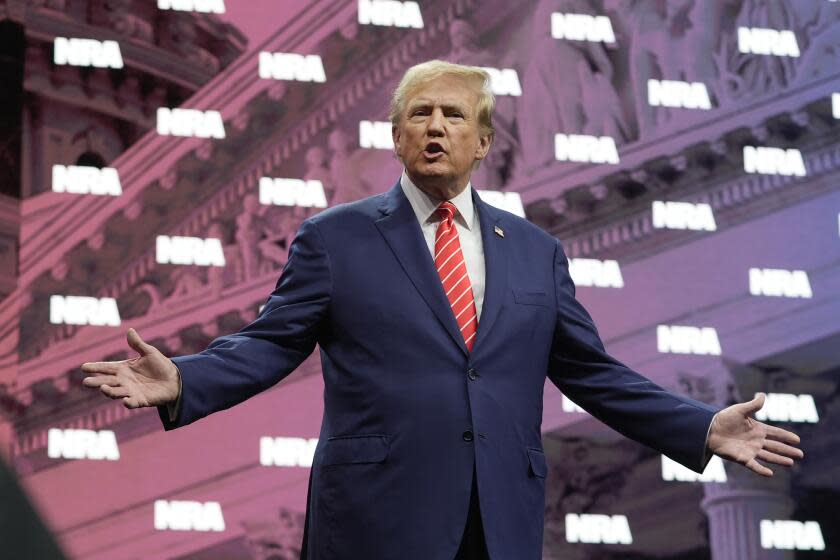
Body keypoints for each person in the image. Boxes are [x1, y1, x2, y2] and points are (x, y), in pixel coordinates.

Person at [81, 60, 803, 560]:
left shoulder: (534, 252)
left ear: (482, 141)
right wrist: (182, 380)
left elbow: (592, 373)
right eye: (417, 115)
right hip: (377, 518)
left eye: (451, 115)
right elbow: (271, 344)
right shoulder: (336, 238)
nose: (434, 126)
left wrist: (700, 425)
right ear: (397, 137)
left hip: (500, 520)